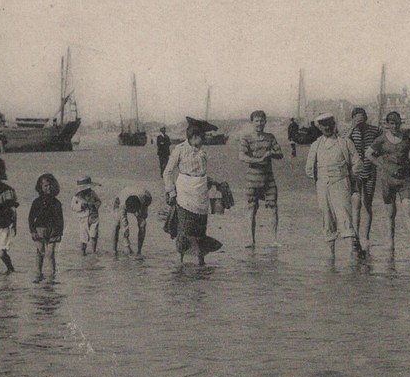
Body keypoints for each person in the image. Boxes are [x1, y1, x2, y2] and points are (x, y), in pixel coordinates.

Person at [163, 118, 224, 265]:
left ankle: (200, 260)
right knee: (184, 230)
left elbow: (200, 175)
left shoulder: (202, 153)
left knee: (200, 230)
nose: (203, 142)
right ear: (193, 137)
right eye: (201, 138)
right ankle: (181, 261)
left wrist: (214, 183)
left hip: (201, 197)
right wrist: (171, 192)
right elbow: (167, 172)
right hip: (185, 196)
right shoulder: (180, 150)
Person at [305, 113, 364, 259]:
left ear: (334, 124)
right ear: (319, 127)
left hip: (341, 183)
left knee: (344, 216)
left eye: (330, 124)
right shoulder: (315, 145)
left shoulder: (344, 142)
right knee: (327, 217)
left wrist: (349, 178)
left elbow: (358, 163)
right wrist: (321, 179)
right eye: (323, 125)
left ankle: (353, 255)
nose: (327, 127)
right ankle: (330, 256)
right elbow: (309, 169)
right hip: (323, 186)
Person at [368, 111, 410, 252]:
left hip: (405, 180)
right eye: (392, 124)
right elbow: (368, 154)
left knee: (408, 210)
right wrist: (381, 166)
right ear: (387, 124)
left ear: (400, 123)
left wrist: (409, 162)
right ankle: (390, 243)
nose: (395, 126)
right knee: (390, 214)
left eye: (397, 123)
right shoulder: (381, 140)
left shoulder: (407, 138)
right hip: (387, 181)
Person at [238, 110, 283, 249]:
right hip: (252, 179)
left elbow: (280, 154)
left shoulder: (270, 137)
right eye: (256, 121)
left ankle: (273, 240)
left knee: (273, 208)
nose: (259, 123)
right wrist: (260, 159)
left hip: (268, 179)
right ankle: (250, 240)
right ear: (252, 122)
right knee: (251, 209)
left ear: (265, 122)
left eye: (261, 120)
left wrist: (272, 154)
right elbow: (242, 157)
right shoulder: (246, 138)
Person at [348, 107, 382, 245]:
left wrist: (377, 157)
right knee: (356, 203)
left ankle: (365, 237)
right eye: (356, 119)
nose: (359, 123)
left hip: (370, 171)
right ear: (353, 119)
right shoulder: (349, 132)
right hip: (355, 173)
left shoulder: (375, 130)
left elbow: (383, 144)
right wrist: (352, 128)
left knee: (367, 203)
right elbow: (342, 143)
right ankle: (355, 236)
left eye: (362, 119)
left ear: (366, 118)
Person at [29, 173, 64, 281]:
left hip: (53, 230)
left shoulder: (57, 203)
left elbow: (60, 219)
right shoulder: (36, 202)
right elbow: (30, 217)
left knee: (50, 254)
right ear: (40, 187)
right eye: (45, 186)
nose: (48, 187)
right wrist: (32, 231)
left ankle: (52, 275)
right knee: (40, 252)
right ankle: (38, 274)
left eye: (50, 185)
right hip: (39, 229)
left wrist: (60, 232)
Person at [113, 185, 152, 254]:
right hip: (121, 198)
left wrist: (141, 214)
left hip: (142, 197)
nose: (133, 213)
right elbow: (125, 225)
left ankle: (139, 250)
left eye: (134, 211)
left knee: (142, 225)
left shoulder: (146, 197)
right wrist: (127, 245)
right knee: (117, 224)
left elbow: (143, 217)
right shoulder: (122, 204)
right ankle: (114, 250)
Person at [72, 177, 102, 255]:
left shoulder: (92, 193)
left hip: (94, 217)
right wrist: (81, 207)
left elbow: (99, 201)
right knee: (83, 237)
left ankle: (93, 251)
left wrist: (95, 206)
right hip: (83, 218)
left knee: (94, 235)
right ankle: (83, 252)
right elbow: (73, 206)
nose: (87, 189)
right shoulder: (77, 196)